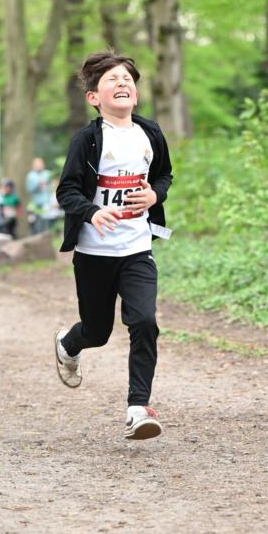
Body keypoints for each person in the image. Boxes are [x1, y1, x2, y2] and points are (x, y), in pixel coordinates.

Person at [55, 51, 173, 440]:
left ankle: (138, 408)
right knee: (97, 331)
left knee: (144, 322)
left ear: (135, 94)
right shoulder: (88, 140)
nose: (122, 84)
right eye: (112, 80)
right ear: (94, 97)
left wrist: (155, 197)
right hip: (94, 253)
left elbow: (163, 176)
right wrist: (90, 212)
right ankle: (69, 343)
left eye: (127, 79)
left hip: (137, 247)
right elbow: (66, 190)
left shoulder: (150, 133)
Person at [25, 156, 52, 233]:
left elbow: (51, 187)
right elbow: (29, 189)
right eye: (36, 164)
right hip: (35, 203)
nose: (38, 165)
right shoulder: (30, 175)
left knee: (45, 224)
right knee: (34, 224)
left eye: (40, 164)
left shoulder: (48, 174)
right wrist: (38, 183)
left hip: (46, 202)